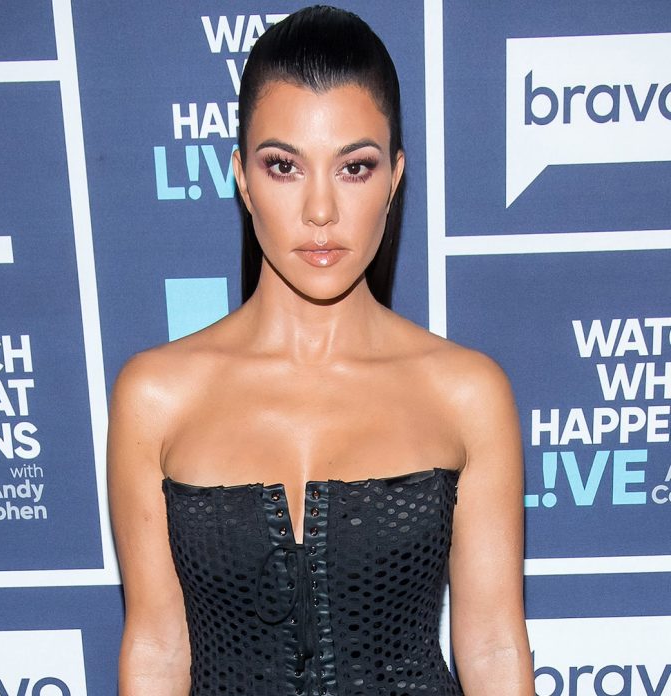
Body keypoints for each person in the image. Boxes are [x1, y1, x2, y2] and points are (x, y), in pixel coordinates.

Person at [107, 5, 534, 695]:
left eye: (354, 168)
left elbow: (492, 647)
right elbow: (157, 649)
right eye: (284, 166)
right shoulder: (155, 396)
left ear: (395, 177)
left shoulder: (466, 392)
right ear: (242, 178)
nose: (320, 211)